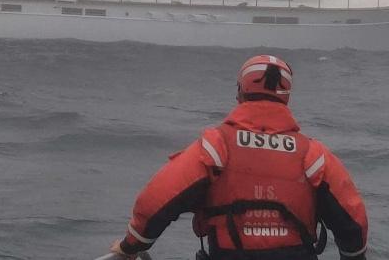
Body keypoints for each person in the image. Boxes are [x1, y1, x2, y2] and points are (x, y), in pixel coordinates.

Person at [111, 55, 368, 260]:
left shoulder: (215, 147)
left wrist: (131, 246)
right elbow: (353, 222)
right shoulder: (313, 155)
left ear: (240, 92)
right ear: (286, 98)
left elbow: (157, 199)